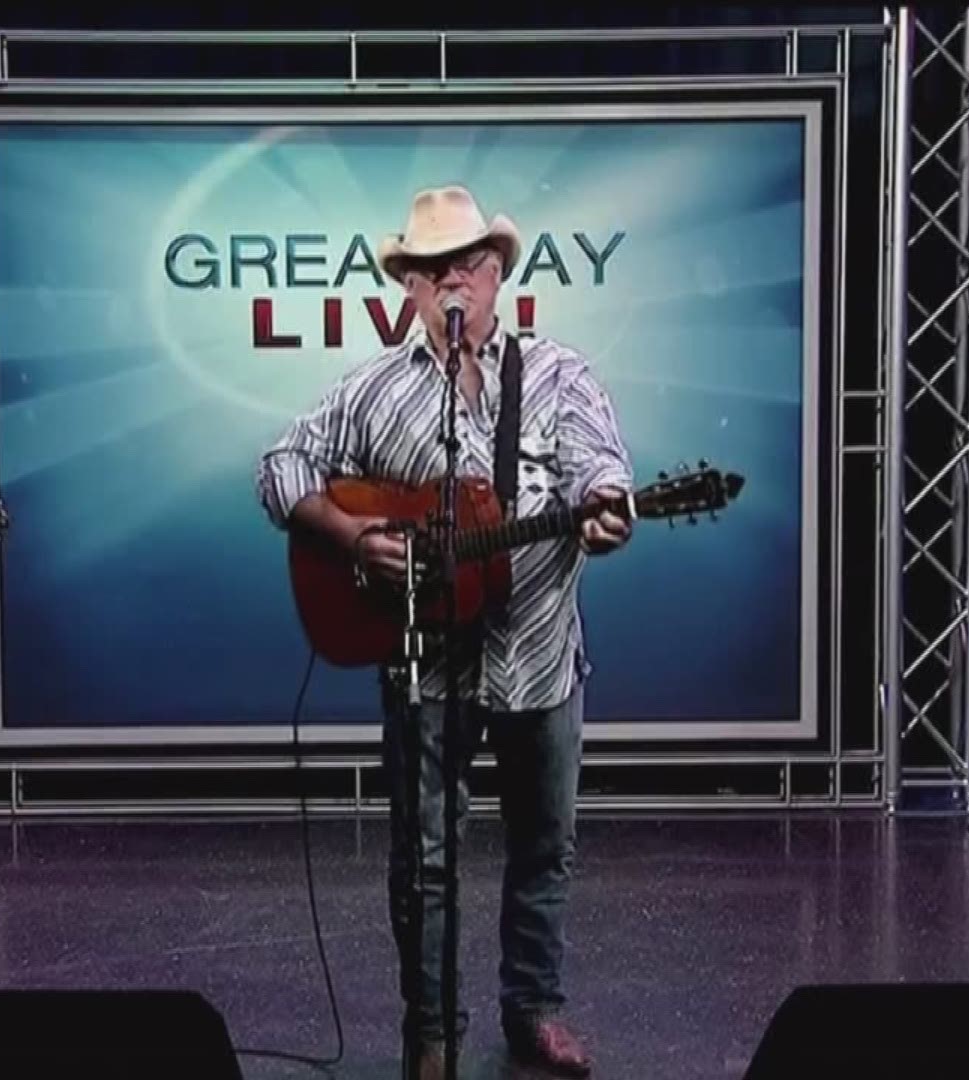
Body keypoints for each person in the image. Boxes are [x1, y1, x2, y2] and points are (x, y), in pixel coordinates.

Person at [256, 185, 633, 1078]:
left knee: (545, 844)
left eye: (468, 264)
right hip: (427, 664)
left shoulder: (557, 374)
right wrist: (353, 537)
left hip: (539, 656)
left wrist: (608, 510)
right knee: (423, 859)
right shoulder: (375, 390)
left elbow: (602, 472)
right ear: (411, 290)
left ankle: (533, 1009)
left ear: (496, 274)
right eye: (432, 272)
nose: (452, 283)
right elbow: (280, 468)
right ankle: (431, 1030)